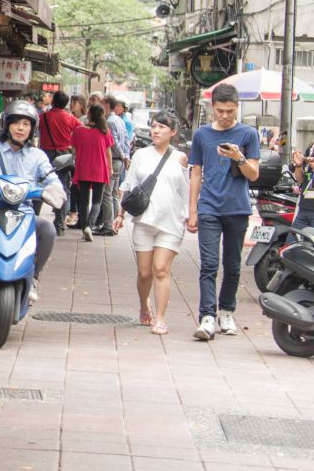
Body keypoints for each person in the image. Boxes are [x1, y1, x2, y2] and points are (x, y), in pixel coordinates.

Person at [0, 102, 66, 302]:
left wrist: (55, 190)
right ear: (6, 125)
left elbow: (51, 178)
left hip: (23, 212)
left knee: (47, 230)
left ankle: (34, 277)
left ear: (32, 129)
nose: (21, 128)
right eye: (16, 123)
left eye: (26, 123)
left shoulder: (37, 156)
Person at [189, 83, 260, 341]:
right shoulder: (202, 135)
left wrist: (239, 158)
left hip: (237, 208)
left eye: (230, 110)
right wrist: (192, 210)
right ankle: (207, 316)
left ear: (237, 107)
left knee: (232, 265)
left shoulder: (248, 134)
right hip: (208, 207)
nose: (225, 116)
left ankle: (227, 310)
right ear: (213, 108)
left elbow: (254, 174)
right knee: (208, 264)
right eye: (221, 110)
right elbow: (196, 172)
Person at [114, 111, 189, 335]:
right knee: (144, 272)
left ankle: (161, 318)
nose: (156, 131)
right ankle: (143, 303)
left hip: (171, 223)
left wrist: (190, 216)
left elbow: (185, 192)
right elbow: (128, 186)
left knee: (161, 269)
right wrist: (120, 215)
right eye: (154, 126)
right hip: (144, 221)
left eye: (162, 127)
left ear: (173, 132)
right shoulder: (140, 156)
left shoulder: (180, 158)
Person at [39, 91, 81, 235]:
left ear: (52, 102)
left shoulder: (43, 117)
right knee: (62, 188)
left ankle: (33, 220)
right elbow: (81, 129)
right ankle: (59, 224)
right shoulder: (70, 118)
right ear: (66, 104)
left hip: (45, 155)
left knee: (39, 186)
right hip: (63, 155)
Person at [72, 104, 114, 242]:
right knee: (97, 201)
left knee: (83, 200)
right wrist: (110, 168)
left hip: (84, 167)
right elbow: (108, 153)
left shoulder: (79, 131)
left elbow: (74, 151)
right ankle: (90, 225)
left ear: (88, 114)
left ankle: (84, 227)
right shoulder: (105, 132)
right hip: (100, 168)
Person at [99, 95, 130, 235]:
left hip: (114, 160)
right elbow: (126, 140)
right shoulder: (119, 119)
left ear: (106, 104)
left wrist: (123, 156)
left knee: (108, 194)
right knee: (114, 193)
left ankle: (108, 225)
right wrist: (125, 156)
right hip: (119, 160)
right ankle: (113, 223)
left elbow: (114, 143)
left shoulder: (110, 121)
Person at [289, 140, 314, 235]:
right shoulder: (311, 148)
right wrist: (298, 166)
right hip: (304, 208)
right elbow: (301, 180)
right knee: (293, 243)